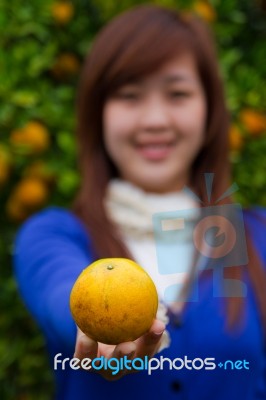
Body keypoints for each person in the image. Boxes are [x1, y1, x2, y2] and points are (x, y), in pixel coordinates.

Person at [13, 4, 266, 400]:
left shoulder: (258, 237)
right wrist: (94, 325)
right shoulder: (54, 235)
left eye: (177, 94)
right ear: (99, 114)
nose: (154, 119)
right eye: (130, 95)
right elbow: (60, 294)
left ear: (209, 110)